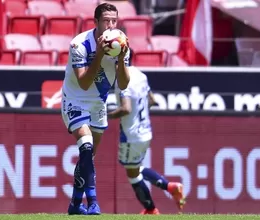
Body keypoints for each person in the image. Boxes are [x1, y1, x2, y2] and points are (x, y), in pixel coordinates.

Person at [61, 3, 130, 215]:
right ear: (96, 22)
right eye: (106, 21)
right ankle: (93, 203)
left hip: (97, 102)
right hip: (75, 98)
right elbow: (83, 82)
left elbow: (124, 84)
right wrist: (99, 55)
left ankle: (74, 205)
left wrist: (120, 59)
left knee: (87, 158)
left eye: (114, 21)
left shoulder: (121, 44)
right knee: (86, 146)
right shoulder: (79, 44)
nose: (110, 25)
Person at [108, 50, 186, 215]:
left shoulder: (123, 80)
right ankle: (170, 187)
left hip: (132, 134)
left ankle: (151, 209)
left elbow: (126, 108)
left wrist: (106, 116)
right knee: (135, 167)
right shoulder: (140, 75)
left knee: (132, 174)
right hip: (145, 130)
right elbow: (152, 100)